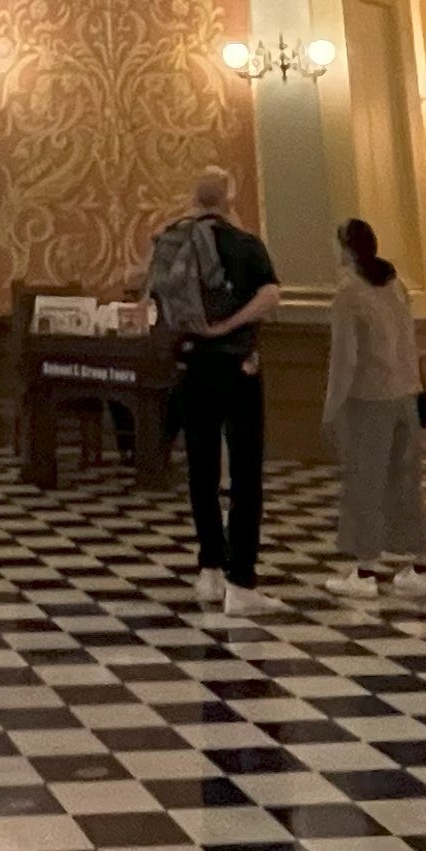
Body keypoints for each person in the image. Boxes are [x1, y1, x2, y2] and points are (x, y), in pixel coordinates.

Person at [144, 168, 280, 614]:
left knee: (200, 469)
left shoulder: (170, 240)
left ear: (194, 198)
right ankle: (241, 581)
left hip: (190, 366)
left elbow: (155, 298)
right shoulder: (244, 244)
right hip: (237, 366)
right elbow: (270, 298)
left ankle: (209, 570)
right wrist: (227, 324)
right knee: (244, 472)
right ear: (230, 196)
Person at [322, 218, 426, 586]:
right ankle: (418, 566)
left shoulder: (349, 293)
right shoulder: (396, 285)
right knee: (406, 481)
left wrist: (332, 406)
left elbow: (345, 358)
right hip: (406, 393)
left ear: (347, 249)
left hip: (368, 397)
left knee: (365, 482)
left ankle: (365, 569)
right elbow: (410, 341)